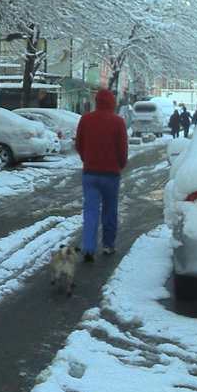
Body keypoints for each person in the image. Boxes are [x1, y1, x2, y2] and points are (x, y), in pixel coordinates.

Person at [74, 88, 128, 262]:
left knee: (90, 211)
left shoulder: (86, 119)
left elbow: (79, 144)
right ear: (112, 103)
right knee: (110, 210)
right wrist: (120, 164)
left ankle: (88, 247)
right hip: (111, 174)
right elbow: (122, 149)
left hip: (90, 173)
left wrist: (86, 159)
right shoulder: (118, 122)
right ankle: (108, 244)